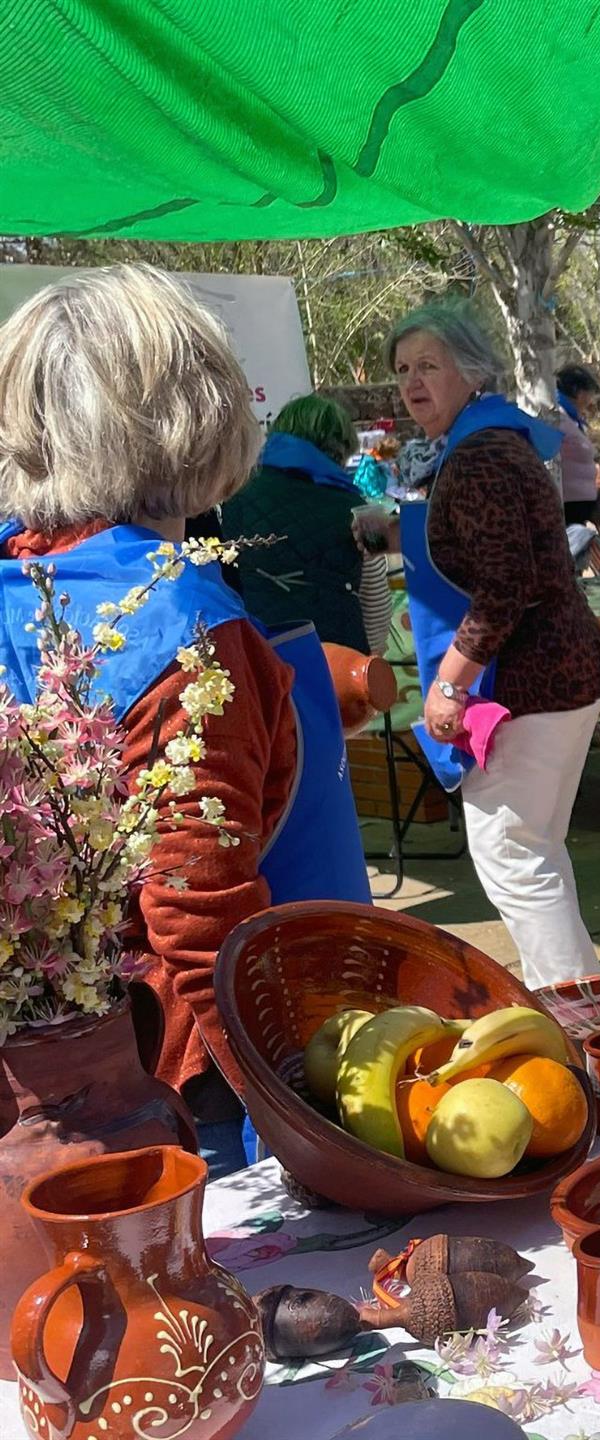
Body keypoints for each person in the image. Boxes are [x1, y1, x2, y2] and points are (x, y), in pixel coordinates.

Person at [0, 265, 371, 1174]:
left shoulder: (22, 578)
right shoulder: (183, 626)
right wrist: (302, 1124)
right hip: (158, 1086)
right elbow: (198, 916)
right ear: (194, 413)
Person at [387, 300, 600, 988]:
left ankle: (577, 1030)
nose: (413, 382)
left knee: (514, 858)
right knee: (535, 853)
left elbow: (506, 584)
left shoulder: (480, 453)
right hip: (556, 674)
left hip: (529, 683)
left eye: (429, 365)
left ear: (472, 369)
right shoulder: (490, 440)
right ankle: (590, 1016)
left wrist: (451, 682)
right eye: (403, 370)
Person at [223, 393, 392, 654]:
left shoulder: (235, 495)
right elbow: (375, 603)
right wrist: (371, 659)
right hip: (333, 660)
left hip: (255, 657)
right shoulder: (356, 508)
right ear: (341, 448)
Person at [553, 364, 600, 526]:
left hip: (578, 504)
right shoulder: (556, 417)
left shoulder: (571, 419)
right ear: (578, 392)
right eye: (589, 393)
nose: (590, 400)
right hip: (567, 504)